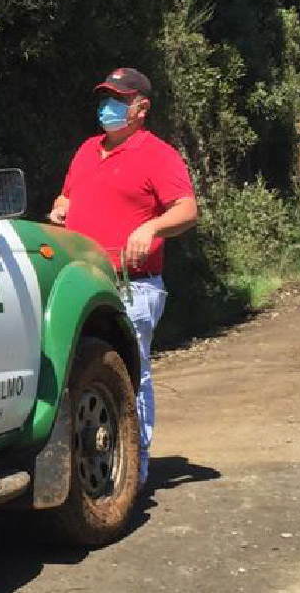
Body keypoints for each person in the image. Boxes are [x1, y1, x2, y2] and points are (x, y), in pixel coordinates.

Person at [48, 67, 198, 486]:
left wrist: (150, 228)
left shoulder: (159, 155)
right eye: (105, 98)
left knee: (131, 373)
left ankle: (135, 467)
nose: (107, 107)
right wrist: (60, 207)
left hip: (132, 285)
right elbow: (68, 195)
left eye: (117, 99)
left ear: (141, 107)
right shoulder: (85, 150)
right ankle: (96, 460)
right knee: (87, 369)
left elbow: (187, 210)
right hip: (81, 282)